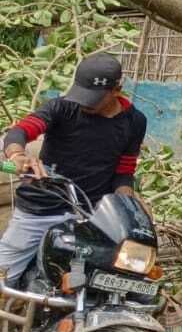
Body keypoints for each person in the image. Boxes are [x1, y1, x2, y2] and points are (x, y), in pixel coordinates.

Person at [1, 53, 147, 286]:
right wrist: (17, 154)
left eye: (93, 98)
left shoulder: (134, 122)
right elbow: (20, 131)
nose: (84, 102)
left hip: (91, 215)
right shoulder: (62, 108)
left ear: (116, 90)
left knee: (111, 281)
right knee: (3, 277)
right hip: (41, 209)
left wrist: (129, 208)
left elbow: (124, 172)